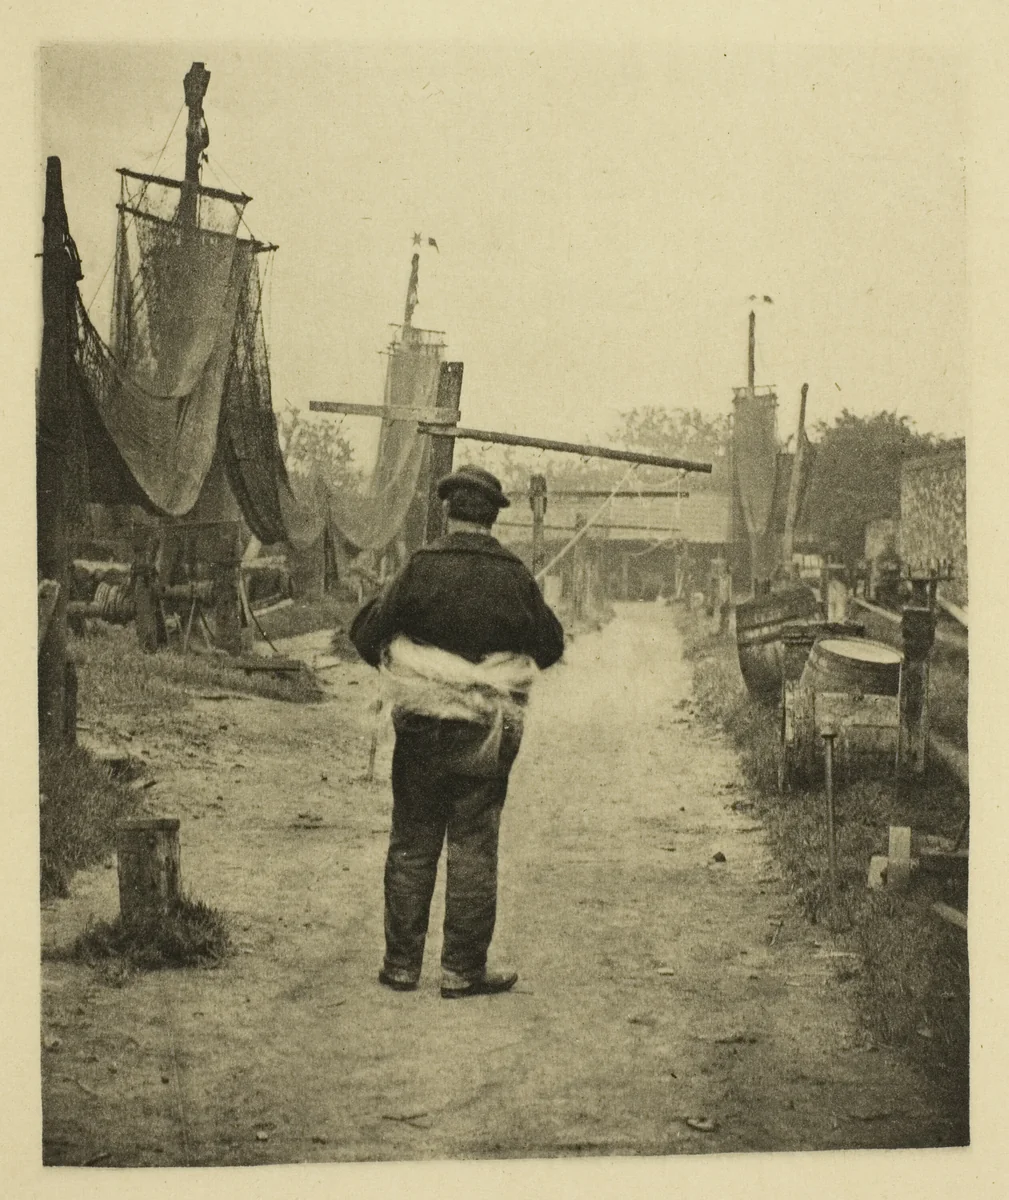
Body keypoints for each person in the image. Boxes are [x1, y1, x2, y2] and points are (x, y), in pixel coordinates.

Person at [350, 465, 565, 999]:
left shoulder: (420, 567)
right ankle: (462, 971)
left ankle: (401, 966)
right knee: (473, 844)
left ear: (447, 511)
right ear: (493, 516)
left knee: (411, 840)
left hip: (421, 728)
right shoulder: (514, 575)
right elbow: (550, 646)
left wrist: (414, 668)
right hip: (485, 732)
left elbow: (367, 634)